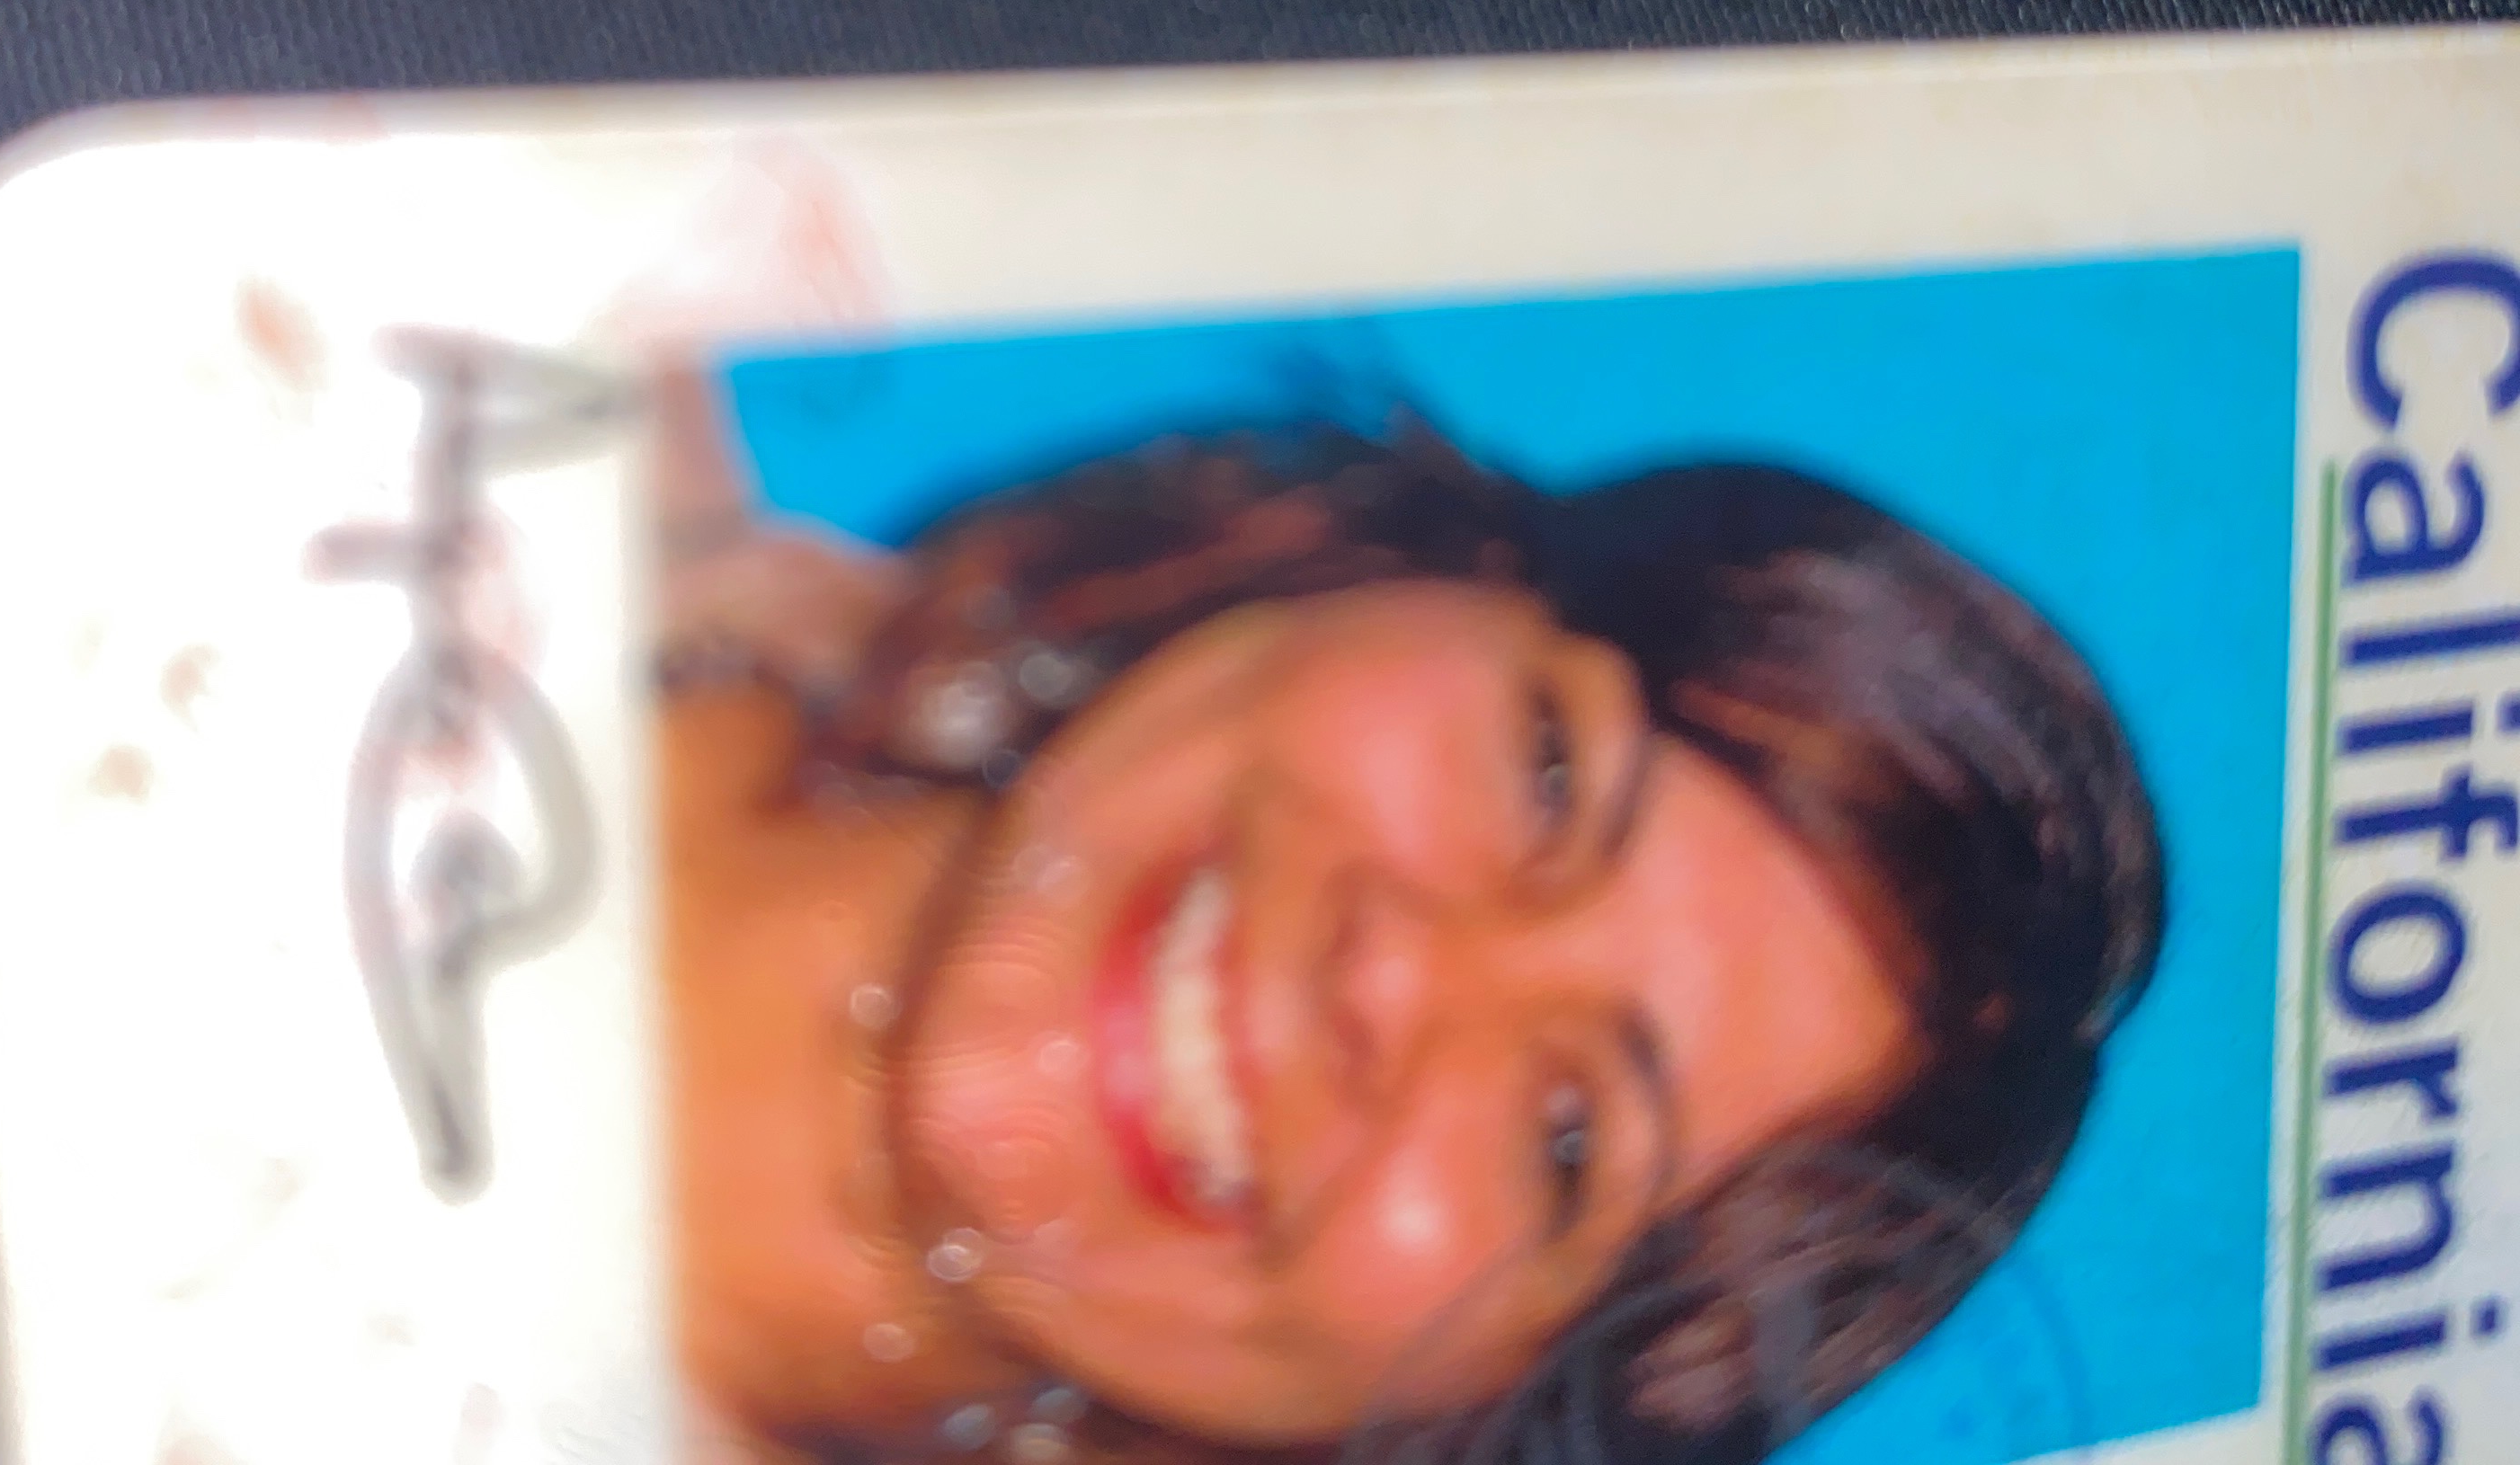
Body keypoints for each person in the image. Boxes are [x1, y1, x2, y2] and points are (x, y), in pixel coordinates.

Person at [649, 375, 2164, 1465]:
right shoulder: (536, 340)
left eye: (1567, 1145)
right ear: (1379, 569)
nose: (1392, 971)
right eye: (1552, 777)